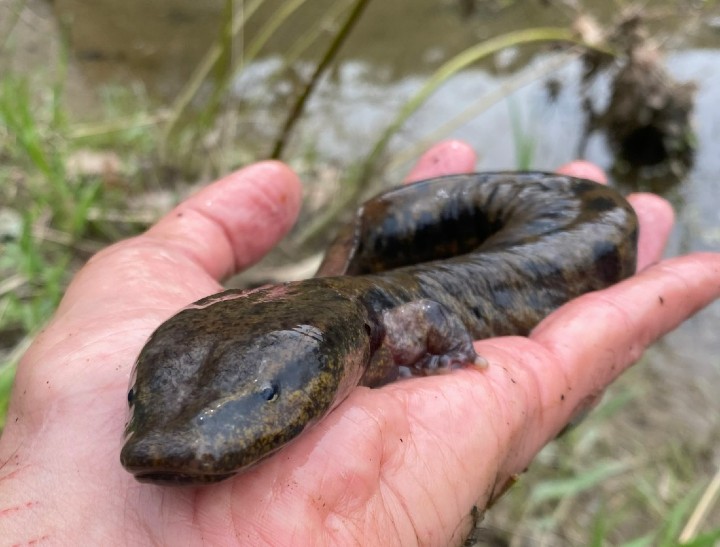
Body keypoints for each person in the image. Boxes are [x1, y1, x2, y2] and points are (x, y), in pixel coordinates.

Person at [0, 141, 718, 545]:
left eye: (268, 395)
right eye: (139, 400)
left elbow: (438, 320)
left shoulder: (387, 322)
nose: (158, 444)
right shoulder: (335, 325)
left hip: (578, 227)